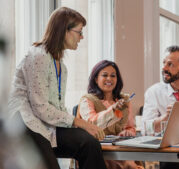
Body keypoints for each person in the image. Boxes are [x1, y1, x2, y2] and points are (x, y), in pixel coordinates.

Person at [8, 7, 107, 169]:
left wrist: (81, 125)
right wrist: (80, 123)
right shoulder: (38, 56)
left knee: (89, 143)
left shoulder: (61, 65)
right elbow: (40, 107)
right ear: (64, 31)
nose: (82, 37)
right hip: (25, 123)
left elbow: (55, 108)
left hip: (45, 124)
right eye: (79, 32)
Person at [76, 60, 143, 169]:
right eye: (104, 75)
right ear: (96, 79)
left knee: (130, 163)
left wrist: (128, 132)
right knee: (128, 165)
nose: (109, 79)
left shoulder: (124, 100)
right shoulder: (87, 100)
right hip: (97, 153)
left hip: (120, 150)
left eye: (113, 76)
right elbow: (92, 123)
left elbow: (131, 127)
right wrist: (112, 109)